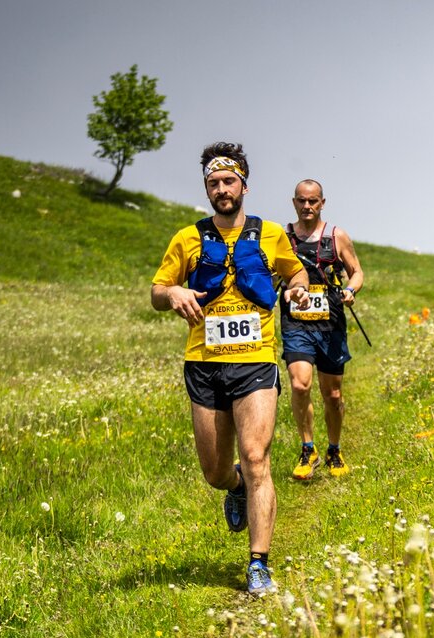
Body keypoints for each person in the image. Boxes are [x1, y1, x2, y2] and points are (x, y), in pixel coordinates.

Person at [150, 142, 310, 596]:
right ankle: (234, 485)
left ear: (244, 185)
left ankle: (259, 564)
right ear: (207, 189)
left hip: (256, 360)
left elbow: (295, 273)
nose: (222, 189)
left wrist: (297, 289)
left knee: (257, 457)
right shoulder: (187, 239)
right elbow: (157, 291)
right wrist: (173, 294)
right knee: (216, 472)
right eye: (214, 183)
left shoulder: (271, 234)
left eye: (229, 181)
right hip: (204, 365)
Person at [282, 179, 364, 480]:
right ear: (294, 202)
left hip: (331, 323)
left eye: (313, 201)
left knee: (332, 394)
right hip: (296, 323)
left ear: (322, 203)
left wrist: (351, 290)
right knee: (300, 385)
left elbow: (356, 272)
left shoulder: (336, 235)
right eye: (302, 201)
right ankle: (308, 449)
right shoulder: (283, 237)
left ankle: (334, 449)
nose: (307, 206)